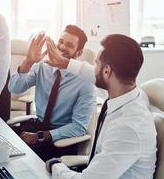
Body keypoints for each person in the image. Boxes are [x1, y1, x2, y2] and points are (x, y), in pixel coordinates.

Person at [45, 34, 157, 179]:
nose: (94, 68)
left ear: (107, 71)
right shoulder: (130, 95)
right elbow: (92, 73)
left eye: (96, 64)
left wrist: (55, 165)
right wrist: (64, 62)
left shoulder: (128, 128)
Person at [8, 25, 96, 161]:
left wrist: (39, 136)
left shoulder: (85, 82)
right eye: (60, 41)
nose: (61, 47)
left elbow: (78, 128)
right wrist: (29, 61)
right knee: (2, 140)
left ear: (78, 53)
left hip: (60, 138)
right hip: (37, 125)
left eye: (69, 45)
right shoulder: (43, 66)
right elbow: (14, 88)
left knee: (20, 158)